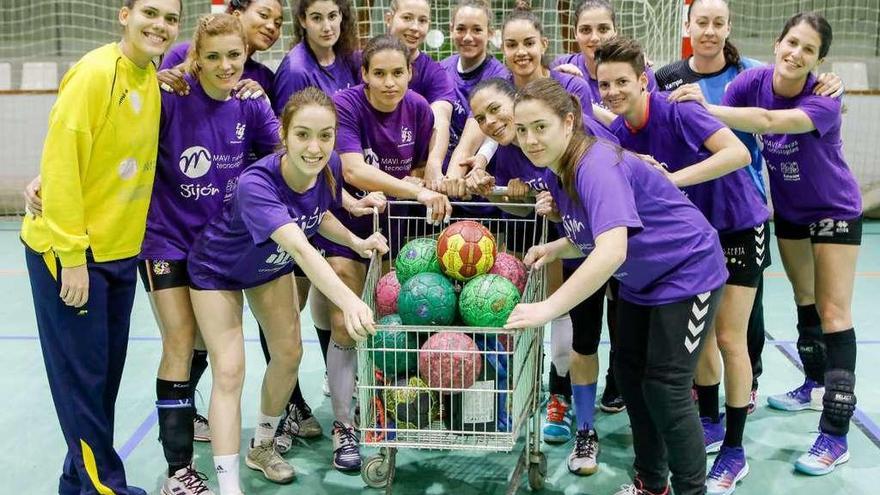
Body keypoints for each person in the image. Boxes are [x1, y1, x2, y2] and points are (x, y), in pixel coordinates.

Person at [505, 77, 727, 495]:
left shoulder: (595, 165)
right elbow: (591, 232)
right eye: (522, 130)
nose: (530, 140)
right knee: (629, 374)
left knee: (667, 389)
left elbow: (611, 252)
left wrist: (545, 309)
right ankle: (651, 484)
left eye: (540, 127)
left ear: (568, 123)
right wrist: (556, 248)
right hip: (645, 283)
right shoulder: (557, 169)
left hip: (688, 273)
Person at [186, 87, 388, 495]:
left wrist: (355, 242)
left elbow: (318, 214)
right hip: (217, 271)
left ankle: (261, 447)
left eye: (326, 135)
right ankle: (228, 487)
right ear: (284, 133)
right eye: (303, 135)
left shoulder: (327, 164)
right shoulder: (256, 184)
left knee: (289, 354)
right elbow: (300, 246)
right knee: (229, 370)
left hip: (266, 268)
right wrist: (349, 301)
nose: (315, 147)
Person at [684, 12, 861, 476]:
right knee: (805, 302)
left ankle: (836, 432)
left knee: (834, 312)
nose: (795, 54)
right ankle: (813, 382)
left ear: (819, 61)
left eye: (808, 49)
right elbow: (728, 137)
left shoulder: (823, 99)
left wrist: (703, 106)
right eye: (791, 43)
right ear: (778, 43)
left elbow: (763, 120)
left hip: (834, 209)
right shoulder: (752, 81)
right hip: (788, 212)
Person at [20, 1, 181, 494]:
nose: (160, 25)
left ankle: (77, 483)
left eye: (171, 18)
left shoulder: (151, 78)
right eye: (149, 12)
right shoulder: (93, 75)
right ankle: (103, 487)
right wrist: (71, 258)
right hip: (72, 256)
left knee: (102, 380)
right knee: (84, 386)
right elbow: (63, 166)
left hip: (118, 253)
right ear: (123, 14)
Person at [596, 35, 767, 494]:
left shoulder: (678, 109)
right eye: (604, 84)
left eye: (621, 82)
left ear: (644, 79)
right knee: (699, 347)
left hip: (735, 223)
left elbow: (739, 153)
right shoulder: (617, 135)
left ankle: (734, 448)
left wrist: (672, 180)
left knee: (731, 338)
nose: (612, 91)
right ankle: (703, 427)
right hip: (689, 242)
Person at [656, 0, 844, 416]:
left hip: (744, 204)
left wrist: (833, 83)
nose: (709, 30)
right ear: (688, 25)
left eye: (718, 23)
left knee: (744, 312)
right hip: (692, 208)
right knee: (698, 308)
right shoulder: (666, 76)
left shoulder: (750, 72)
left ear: (728, 28)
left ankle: (750, 380)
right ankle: (700, 389)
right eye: (701, 22)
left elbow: (784, 98)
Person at [137, 13, 280, 494]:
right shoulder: (171, 96)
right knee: (180, 340)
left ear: (246, 55)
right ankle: (179, 471)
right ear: (194, 56)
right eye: (212, 57)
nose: (224, 66)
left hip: (220, 248)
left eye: (234, 56)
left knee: (208, 348)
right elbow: (117, 139)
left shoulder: (252, 104)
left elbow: (283, 159)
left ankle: (186, 418)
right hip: (167, 239)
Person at [462, 77, 621, 476]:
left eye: (497, 110)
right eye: (481, 117)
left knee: (627, 346)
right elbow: (544, 209)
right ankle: (580, 423)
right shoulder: (506, 151)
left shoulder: (583, 147)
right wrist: (520, 200)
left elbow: (614, 184)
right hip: (573, 243)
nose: (491, 121)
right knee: (582, 337)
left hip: (620, 246)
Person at [308, 34, 452, 471]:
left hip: (398, 232)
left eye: (398, 73)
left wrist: (432, 173)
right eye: (380, 74)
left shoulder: (420, 110)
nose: (390, 83)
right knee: (346, 322)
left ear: (410, 73)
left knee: (394, 319)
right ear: (364, 76)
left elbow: (427, 161)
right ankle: (344, 426)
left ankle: (401, 407)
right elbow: (352, 169)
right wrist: (414, 189)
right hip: (346, 225)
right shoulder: (346, 105)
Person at [383, 0, 457, 188]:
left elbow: (440, 117)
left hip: (413, 177)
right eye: (407, 18)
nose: (415, 28)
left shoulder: (435, 74)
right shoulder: (362, 62)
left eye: (422, 20)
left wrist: (433, 163)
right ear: (389, 19)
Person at [158, 0, 283, 101]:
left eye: (278, 23)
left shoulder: (265, 78)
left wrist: (263, 100)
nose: (271, 27)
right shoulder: (182, 53)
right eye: (263, 15)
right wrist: (157, 82)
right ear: (237, 15)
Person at [551, 0, 657, 106]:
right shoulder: (562, 67)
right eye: (585, 30)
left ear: (615, 31)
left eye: (603, 29)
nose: (594, 38)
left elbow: (651, 119)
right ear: (575, 33)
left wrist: (582, 101)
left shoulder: (639, 70)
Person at [273, 0, 360, 114]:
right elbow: (285, 127)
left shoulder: (350, 57)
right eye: (317, 18)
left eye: (332, 16)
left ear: (341, 15)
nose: (327, 27)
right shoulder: (294, 72)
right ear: (303, 20)